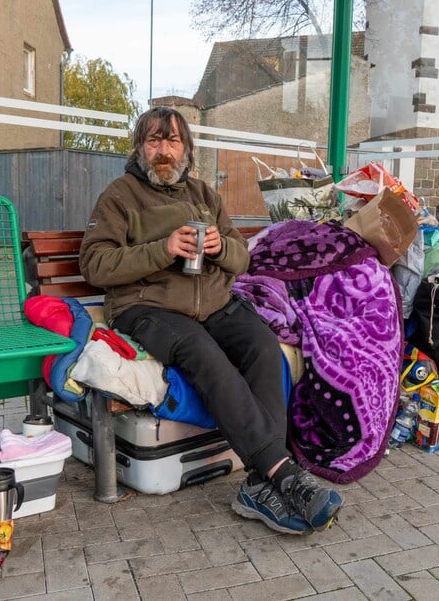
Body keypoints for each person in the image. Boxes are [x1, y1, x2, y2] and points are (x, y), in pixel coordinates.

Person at [79, 106, 343, 534]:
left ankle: (259, 483)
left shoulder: (204, 195)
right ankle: (282, 472)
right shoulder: (120, 195)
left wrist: (221, 248)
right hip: (148, 307)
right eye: (154, 140)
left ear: (186, 149)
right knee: (203, 353)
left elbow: (242, 259)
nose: (163, 150)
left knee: (263, 345)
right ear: (140, 148)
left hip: (215, 304)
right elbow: (94, 264)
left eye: (172, 140)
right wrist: (163, 249)